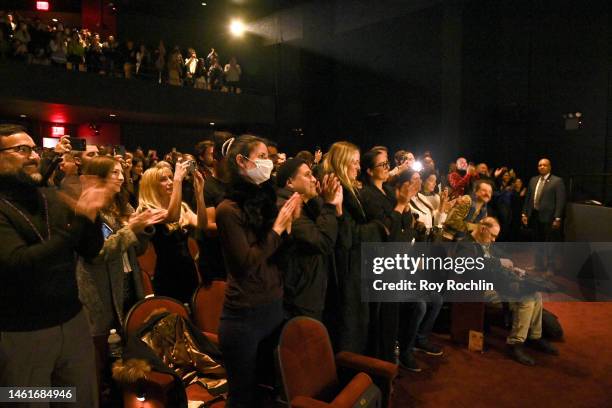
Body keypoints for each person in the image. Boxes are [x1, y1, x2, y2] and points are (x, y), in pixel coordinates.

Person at [0, 124, 113, 407]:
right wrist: (77, 224)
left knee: (78, 399)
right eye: (22, 150)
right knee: (28, 401)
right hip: (23, 334)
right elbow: (18, 262)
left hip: (72, 324)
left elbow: (91, 249)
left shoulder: (49, 196)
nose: (35, 157)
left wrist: (91, 215)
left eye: (35, 150)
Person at [216, 135, 301, 407]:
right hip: (245, 315)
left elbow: (275, 254)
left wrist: (288, 228)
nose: (269, 162)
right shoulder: (227, 210)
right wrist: (277, 229)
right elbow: (246, 263)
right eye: (262, 156)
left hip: (273, 305)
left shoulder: (266, 201)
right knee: (243, 396)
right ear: (242, 161)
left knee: (270, 389)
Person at [75, 156, 165, 388]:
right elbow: (98, 253)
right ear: (99, 176)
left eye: (121, 172)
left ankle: (127, 390)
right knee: (103, 347)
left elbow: (138, 249)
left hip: (127, 278)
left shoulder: (124, 205)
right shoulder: (88, 209)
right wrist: (130, 229)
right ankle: (103, 391)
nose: (121, 177)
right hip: (100, 286)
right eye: (114, 173)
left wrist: (143, 228)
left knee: (130, 336)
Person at [457, 217, 559, 365]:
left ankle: (535, 337)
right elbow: (468, 266)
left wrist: (510, 268)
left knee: (536, 294)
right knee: (526, 298)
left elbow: (503, 258)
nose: (493, 240)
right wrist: (499, 263)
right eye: (492, 235)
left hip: (496, 284)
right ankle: (515, 344)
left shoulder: (486, 244)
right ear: (483, 228)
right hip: (478, 289)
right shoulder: (466, 244)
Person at [322, 141, 387, 354]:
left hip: (356, 266)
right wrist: (378, 227)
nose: (358, 168)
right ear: (342, 163)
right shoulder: (336, 187)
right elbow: (348, 236)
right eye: (355, 163)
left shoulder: (348, 187)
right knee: (351, 329)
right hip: (347, 270)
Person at [276, 158, 342, 320]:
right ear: (290, 183)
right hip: (299, 297)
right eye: (307, 175)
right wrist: (329, 205)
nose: (314, 179)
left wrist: (329, 204)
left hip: (308, 291)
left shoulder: (306, 203)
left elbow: (331, 231)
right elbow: (322, 242)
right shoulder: (288, 207)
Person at [137, 161, 207, 302]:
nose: (169, 182)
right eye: (163, 179)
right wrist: (177, 181)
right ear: (151, 186)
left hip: (188, 272)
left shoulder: (181, 207)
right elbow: (171, 217)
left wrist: (199, 194)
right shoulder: (146, 210)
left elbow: (202, 224)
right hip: (167, 276)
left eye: (170, 177)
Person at [521, 158, 566, 271]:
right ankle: (538, 265)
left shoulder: (557, 181)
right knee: (537, 242)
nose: (541, 167)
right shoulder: (533, 180)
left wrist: (558, 218)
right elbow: (528, 198)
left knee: (549, 244)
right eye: (539, 165)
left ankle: (550, 268)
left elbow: (560, 201)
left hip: (549, 218)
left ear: (549, 167)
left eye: (544, 165)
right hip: (535, 216)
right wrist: (524, 214)